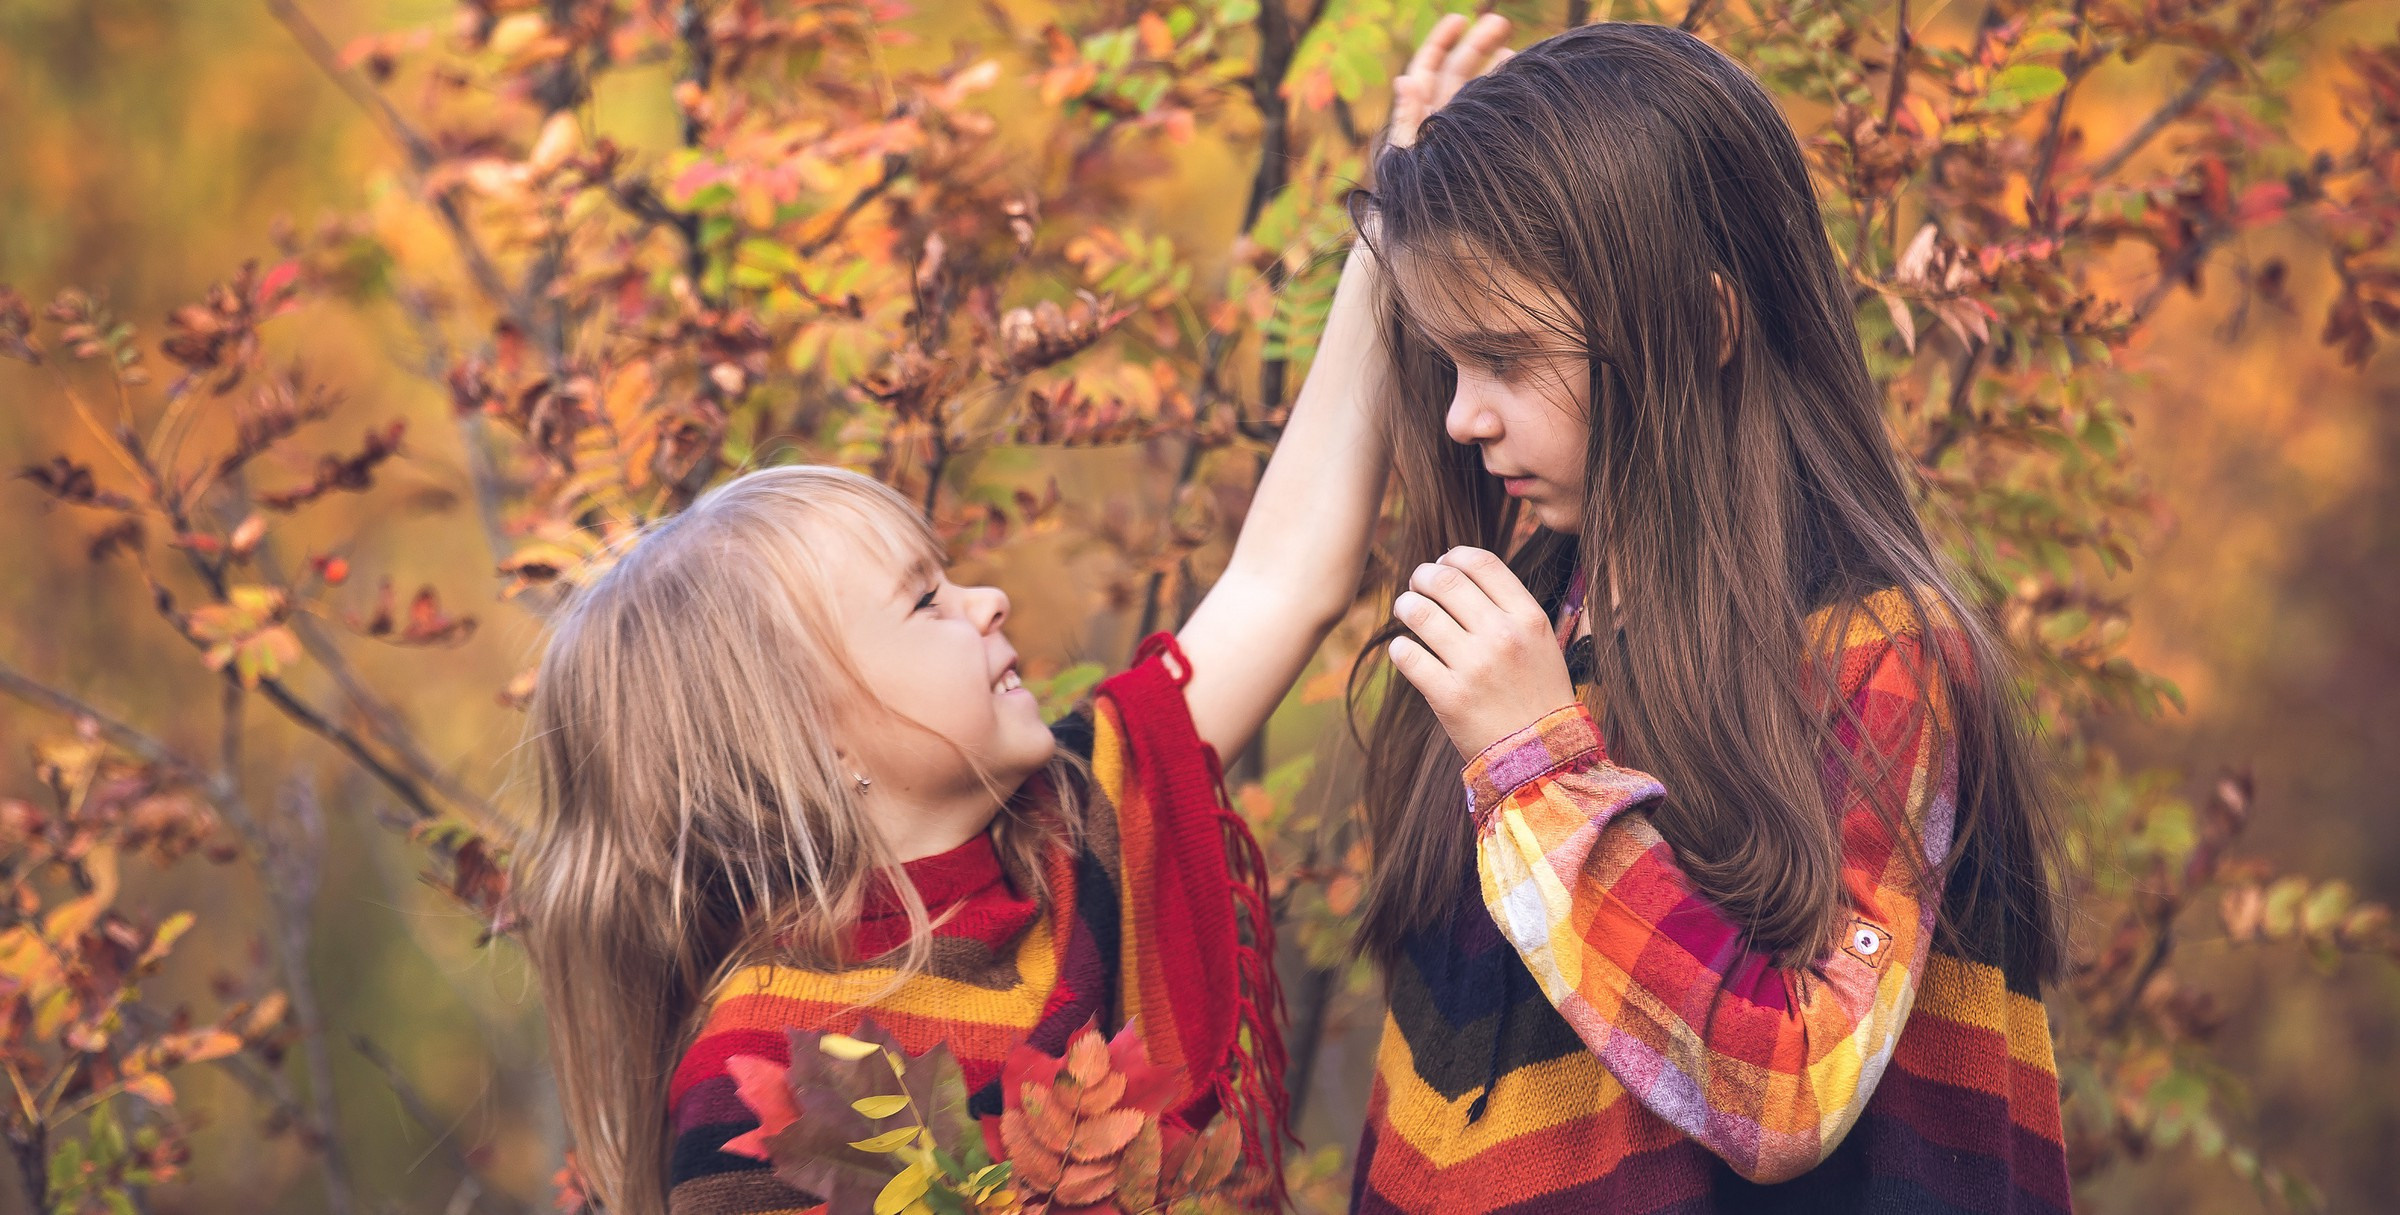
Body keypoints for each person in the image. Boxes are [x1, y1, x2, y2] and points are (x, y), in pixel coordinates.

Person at [1345, 16, 2072, 1214]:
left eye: (1506, 361)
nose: (1461, 420)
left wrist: (1537, 777)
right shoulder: (1530, 618)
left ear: (1708, 327)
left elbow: (1793, 1085)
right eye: (1444, 362)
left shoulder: (1875, 645)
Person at [511, 229, 1398, 1209]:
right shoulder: (752, 1077)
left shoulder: (1073, 823)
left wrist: (1382, 235)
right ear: (810, 742)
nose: (987, 601)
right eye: (926, 601)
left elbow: (1283, 581)